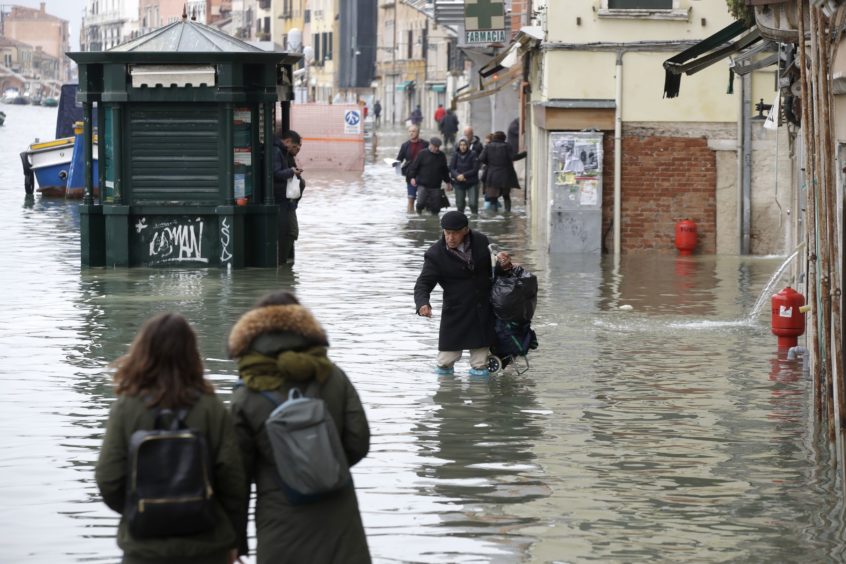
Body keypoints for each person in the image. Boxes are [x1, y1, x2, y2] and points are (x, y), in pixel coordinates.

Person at [228, 291, 371, 564]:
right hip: (339, 519)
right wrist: (322, 466)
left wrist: (235, 541)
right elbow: (358, 441)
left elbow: (237, 477)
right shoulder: (333, 376)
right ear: (305, 328)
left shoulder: (246, 393)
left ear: (253, 335)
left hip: (280, 521)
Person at [95, 313, 246, 564]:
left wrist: (142, 508)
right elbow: (233, 481)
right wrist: (235, 543)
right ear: (191, 353)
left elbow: (108, 478)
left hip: (144, 549)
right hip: (208, 547)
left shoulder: (126, 407)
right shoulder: (211, 406)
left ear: (143, 350)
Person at [414, 211, 512, 376]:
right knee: (445, 362)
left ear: (465, 230)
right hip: (456, 312)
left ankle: (481, 398)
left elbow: (494, 270)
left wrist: (504, 264)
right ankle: (448, 397)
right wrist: (423, 303)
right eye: (447, 233)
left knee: (480, 365)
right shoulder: (435, 254)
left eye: (455, 233)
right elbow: (423, 283)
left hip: (483, 310)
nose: (450, 237)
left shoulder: (481, 241)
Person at [272, 129, 305, 264]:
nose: (297, 150)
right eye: (295, 147)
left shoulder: (286, 154)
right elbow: (275, 173)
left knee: (291, 232)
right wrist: (292, 172)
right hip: (282, 201)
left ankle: (283, 265)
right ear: (287, 141)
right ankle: (281, 264)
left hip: (288, 202)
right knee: (291, 232)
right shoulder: (276, 152)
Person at [479, 130, 526, 212]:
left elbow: (481, 158)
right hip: (505, 175)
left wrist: (489, 164)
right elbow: (513, 157)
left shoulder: (488, 146)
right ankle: (508, 212)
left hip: (492, 175)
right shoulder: (507, 146)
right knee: (506, 195)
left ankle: (494, 214)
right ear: (504, 138)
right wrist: (524, 154)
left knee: (493, 198)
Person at [407, 136, 451, 215]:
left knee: (436, 208)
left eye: (438, 147)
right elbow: (414, 167)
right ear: (430, 145)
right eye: (435, 147)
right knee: (420, 203)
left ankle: (434, 221)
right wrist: (412, 177)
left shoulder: (442, 156)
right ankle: (419, 215)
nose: (436, 149)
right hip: (422, 184)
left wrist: (448, 182)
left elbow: (445, 171)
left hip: (436, 186)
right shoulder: (422, 153)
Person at [396, 125, 428, 213]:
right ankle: (410, 219)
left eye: (413, 131)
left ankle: (423, 217)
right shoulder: (405, 145)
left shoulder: (425, 144)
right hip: (410, 175)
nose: (411, 133)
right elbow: (399, 159)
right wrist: (396, 168)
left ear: (418, 132)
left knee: (423, 199)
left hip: (423, 175)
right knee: (411, 198)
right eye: (410, 131)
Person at [449, 138, 480, 214]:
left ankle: (474, 218)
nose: (463, 147)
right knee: (460, 205)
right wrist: (457, 176)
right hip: (459, 182)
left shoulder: (473, 154)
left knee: (473, 204)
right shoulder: (455, 154)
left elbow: (475, 169)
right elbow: (451, 168)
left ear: (468, 146)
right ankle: (460, 221)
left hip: (472, 182)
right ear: (459, 146)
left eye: (464, 145)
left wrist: (464, 175)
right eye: (461, 145)